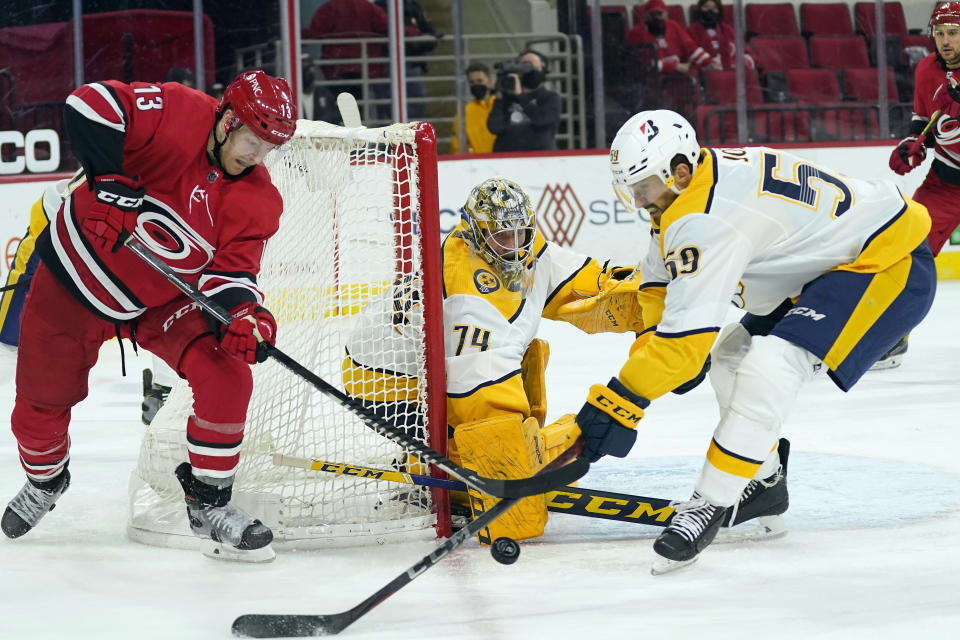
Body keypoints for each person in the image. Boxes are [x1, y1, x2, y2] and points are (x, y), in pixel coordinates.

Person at [573, 109, 936, 573]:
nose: (641, 201)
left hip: (888, 263)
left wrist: (618, 401)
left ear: (680, 172)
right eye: (632, 190)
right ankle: (763, 484)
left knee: (770, 365)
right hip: (831, 264)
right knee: (729, 355)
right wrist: (652, 344)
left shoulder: (707, 217)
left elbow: (683, 347)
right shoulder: (693, 189)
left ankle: (711, 501)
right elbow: (659, 287)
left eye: (644, 188)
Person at [0, 70, 298, 563]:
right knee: (38, 410)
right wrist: (108, 177)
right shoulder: (177, 111)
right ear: (227, 121)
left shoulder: (258, 199)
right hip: (73, 282)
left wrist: (246, 317)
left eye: (269, 149)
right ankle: (45, 481)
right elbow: (88, 103)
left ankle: (208, 502)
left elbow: (231, 276)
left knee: (228, 377)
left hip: (159, 302)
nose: (257, 158)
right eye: (253, 141)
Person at [343, 177, 649, 544]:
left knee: (526, 359)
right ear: (476, 233)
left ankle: (441, 466)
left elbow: (582, 282)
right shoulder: (470, 295)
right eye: (502, 236)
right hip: (384, 387)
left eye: (521, 233)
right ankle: (439, 470)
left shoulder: (523, 250)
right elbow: (479, 401)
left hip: (427, 370)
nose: (514, 246)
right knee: (508, 462)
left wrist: (651, 302)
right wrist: (545, 454)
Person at [884, 1, 960, 369]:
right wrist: (913, 143)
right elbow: (923, 116)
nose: (946, 41)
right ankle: (893, 336)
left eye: (954, 33)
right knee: (908, 251)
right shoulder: (928, 69)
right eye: (940, 33)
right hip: (945, 182)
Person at [487, 50, 561, 152]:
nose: (529, 71)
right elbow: (494, 127)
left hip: (540, 160)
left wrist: (520, 96)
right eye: (524, 66)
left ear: (542, 71)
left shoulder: (550, 98)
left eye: (533, 67)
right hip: (507, 160)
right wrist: (499, 97)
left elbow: (540, 120)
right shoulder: (507, 98)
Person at [627, 0, 721, 75]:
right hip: (654, 79)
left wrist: (709, 62)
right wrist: (674, 66)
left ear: (666, 14)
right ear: (645, 16)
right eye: (652, 14)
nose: (656, 17)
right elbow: (644, 64)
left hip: (677, 76)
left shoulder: (673, 26)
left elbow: (691, 48)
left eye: (659, 14)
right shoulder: (636, 33)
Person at [686, 0, 755, 71]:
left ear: (719, 11)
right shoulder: (690, 32)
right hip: (705, 76)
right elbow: (687, 60)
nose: (710, 11)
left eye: (714, 8)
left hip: (732, 72)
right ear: (699, 9)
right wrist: (704, 68)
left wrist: (739, 65)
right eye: (706, 7)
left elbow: (746, 54)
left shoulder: (728, 30)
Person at [450, 62, 497, 154]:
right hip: (475, 164)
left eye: (480, 81)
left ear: (490, 81)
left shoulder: (500, 106)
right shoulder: (464, 113)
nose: (476, 85)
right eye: (472, 82)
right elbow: (456, 147)